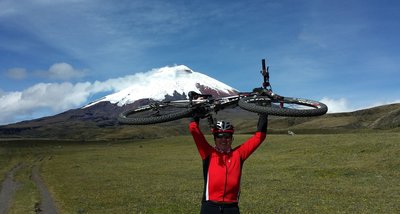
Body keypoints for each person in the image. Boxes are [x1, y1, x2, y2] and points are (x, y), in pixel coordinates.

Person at [189, 111, 268, 214]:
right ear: (214, 138)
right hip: (210, 206)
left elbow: (259, 137)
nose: (223, 139)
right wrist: (196, 113)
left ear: (231, 138)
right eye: (220, 136)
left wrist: (263, 113)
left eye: (227, 136)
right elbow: (194, 129)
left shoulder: (239, 154)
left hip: (231, 207)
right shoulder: (208, 153)